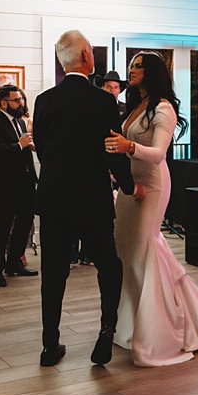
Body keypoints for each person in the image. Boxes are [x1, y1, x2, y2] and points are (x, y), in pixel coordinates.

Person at [104, 52, 198, 367]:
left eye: (137, 67)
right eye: (131, 66)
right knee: (129, 255)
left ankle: (163, 332)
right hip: (129, 187)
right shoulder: (136, 105)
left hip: (151, 186)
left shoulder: (163, 108)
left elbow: (159, 153)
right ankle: (136, 324)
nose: (131, 71)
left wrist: (129, 146)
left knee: (146, 253)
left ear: (151, 73)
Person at [32, 29, 136, 367]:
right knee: (107, 263)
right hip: (91, 195)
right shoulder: (104, 101)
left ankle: (50, 345)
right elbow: (112, 152)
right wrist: (129, 185)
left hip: (53, 196)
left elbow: (44, 150)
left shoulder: (44, 101)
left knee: (53, 270)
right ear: (87, 57)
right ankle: (106, 331)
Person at [0, 83, 38, 288]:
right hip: (6, 184)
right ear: (4, 103)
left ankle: (14, 262)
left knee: (24, 224)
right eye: (16, 100)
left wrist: (28, 147)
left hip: (25, 182)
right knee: (4, 226)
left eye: (21, 98)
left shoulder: (21, 123)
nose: (21, 102)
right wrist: (20, 145)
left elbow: (22, 148)